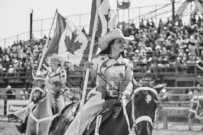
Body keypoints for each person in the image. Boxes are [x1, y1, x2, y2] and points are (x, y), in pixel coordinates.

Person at [64, 28, 134, 135]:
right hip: (101, 96)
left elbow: (129, 82)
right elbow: (91, 77)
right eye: (119, 41)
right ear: (111, 44)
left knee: (133, 117)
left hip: (121, 96)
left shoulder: (127, 63)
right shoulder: (98, 60)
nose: (122, 44)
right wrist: (88, 69)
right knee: (84, 113)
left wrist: (125, 93)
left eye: (123, 42)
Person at [15, 53, 67, 133]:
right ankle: (23, 125)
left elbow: (62, 85)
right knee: (30, 107)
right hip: (47, 95)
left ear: (58, 63)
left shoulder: (62, 72)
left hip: (57, 95)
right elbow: (42, 80)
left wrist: (53, 85)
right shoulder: (49, 72)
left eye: (54, 61)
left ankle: (61, 130)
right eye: (51, 61)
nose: (52, 63)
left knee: (62, 112)